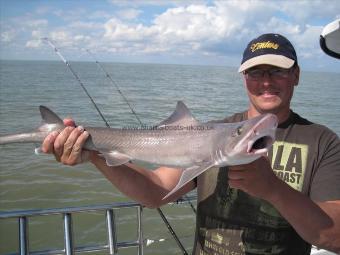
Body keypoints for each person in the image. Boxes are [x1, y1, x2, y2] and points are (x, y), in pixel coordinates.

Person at [42, 33, 340, 254]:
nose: (266, 81)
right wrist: (95, 154)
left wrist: (273, 189)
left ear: (296, 75)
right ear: (243, 78)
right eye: (255, 72)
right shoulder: (211, 134)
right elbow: (156, 191)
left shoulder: (323, 142)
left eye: (277, 70)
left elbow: (334, 238)